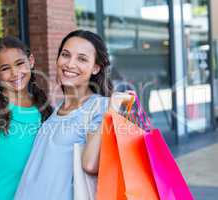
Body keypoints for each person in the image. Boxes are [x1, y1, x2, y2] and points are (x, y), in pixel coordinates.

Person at [14, 30, 131, 200]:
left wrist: (112, 111)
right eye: (65, 55)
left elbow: (90, 164)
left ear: (96, 68)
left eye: (82, 59)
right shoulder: (58, 108)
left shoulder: (99, 107)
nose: (70, 64)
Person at [0, 36, 52, 200]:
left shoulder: (41, 105)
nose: (15, 73)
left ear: (30, 61)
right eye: (5, 68)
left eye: (19, 64)